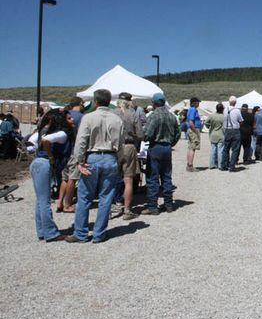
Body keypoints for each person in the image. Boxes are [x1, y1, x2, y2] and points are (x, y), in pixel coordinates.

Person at [66, 89, 124, 243]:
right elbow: (120, 143)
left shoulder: (88, 117)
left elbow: (81, 141)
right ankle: (99, 234)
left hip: (92, 157)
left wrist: (79, 160)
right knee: (106, 197)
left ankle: (81, 233)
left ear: (95, 101)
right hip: (110, 157)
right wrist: (118, 161)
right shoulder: (117, 119)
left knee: (84, 197)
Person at [28, 109, 69, 242]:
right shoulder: (61, 134)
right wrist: (51, 156)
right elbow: (45, 141)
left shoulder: (42, 130)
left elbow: (31, 143)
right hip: (45, 163)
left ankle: (42, 230)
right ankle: (51, 232)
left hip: (36, 162)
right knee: (45, 200)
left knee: (40, 199)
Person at [142, 92, 181, 215]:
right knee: (166, 176)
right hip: (167, 148)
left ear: (154, 103)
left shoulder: (153, 116)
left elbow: (147, 134)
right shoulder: (171, 116)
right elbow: (177, 133)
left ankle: (153, 206)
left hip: (155, 147)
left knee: (153, 177)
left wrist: (145, 139)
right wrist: (171, 143)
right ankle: (169, 204)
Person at [113, 92, 143, 220]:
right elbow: (140, 134)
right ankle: (127, 210)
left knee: (113, 178)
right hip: (129, 146)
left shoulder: (111, 113)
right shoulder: (133, 114)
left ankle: (114, 205)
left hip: (113, 148)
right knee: (128, 179)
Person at [222, 96, 243, 171]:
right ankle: (232, 165)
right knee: (235, 149)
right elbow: (240, 120)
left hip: (227, 130)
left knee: (226, 149)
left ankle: (224, 165)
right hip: (235, 130)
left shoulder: (225, 109)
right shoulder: (237, 110)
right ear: (235, 102)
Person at [205, 103, 225, 169]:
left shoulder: (212, 115)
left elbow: (206, 123)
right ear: (222, 109)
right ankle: (220, 165)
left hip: (213, 134)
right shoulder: (223, 117)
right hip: (221, 134)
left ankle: (212, 164)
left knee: (213, 150)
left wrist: (209, 127)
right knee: (220, 150)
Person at [186, 97, 202, 172]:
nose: (199, 103)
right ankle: (190, 165)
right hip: (194, 129)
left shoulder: (190, 109)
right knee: (193, 148)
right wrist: (196, 131)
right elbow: (191, 122)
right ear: (194, 103)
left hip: (191, 130)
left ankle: (189, 164)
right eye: (198, 102)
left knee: (190, 147)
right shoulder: (193, 110)